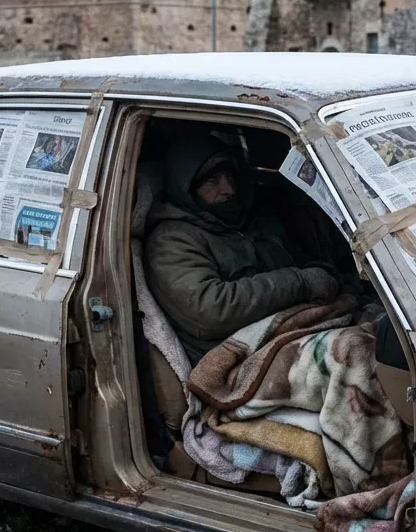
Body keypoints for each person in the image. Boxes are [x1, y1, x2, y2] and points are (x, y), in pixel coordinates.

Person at [145, 127, 357, 365]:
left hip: (295, 329)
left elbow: (298, 259)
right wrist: (300, 283)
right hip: (237, 354)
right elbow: (210, 311)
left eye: (229, 178)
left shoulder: (250, 218)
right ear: (187, 188)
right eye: (213, 181)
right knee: (352, 358)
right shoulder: (172, 240)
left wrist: (325, 276)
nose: (228, 190)